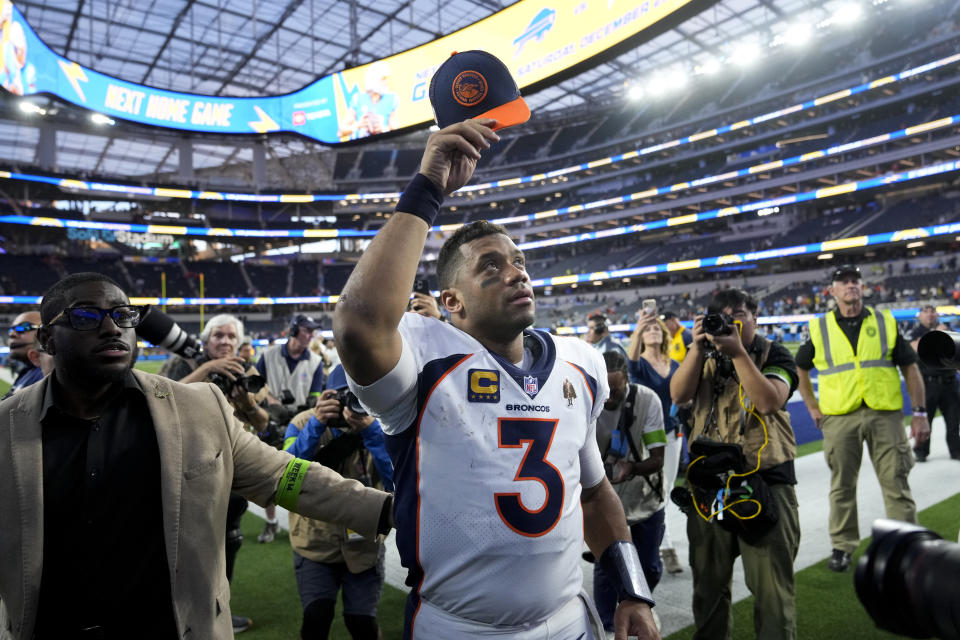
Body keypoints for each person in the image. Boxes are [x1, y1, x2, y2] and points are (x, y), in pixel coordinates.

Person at [334, 117, 658, 640]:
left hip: (568, 620)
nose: (516, 272)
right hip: (461, 628)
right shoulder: (425, 358)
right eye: (490, 267)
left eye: (519, 262)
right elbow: (358, 323)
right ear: (451, 303)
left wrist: (631, 589)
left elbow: (595, 495)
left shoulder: (579, 363)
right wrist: (429, 187)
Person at [0, 272, 393, 640]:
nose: (111, 327)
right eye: (86, 316)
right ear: (47, 340)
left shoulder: (200, 408)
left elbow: (284, 478)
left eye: (123, 315)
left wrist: (392, 511)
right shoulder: (6, 427)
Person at [671, 288, 801, 640]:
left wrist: (739, 353)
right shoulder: (702, 355)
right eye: (723, 316)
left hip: (766, 483)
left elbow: (769, 401)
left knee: (773, 592)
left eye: (739, 314)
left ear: (755, 316)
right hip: (709, 487)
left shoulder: (776, 353)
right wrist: (697, 347)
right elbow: (679, 395)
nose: (731, 322)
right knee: (708, 590)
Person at [796, 265, 930, 572]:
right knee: (842, 485)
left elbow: (911, 369)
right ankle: (842, 546)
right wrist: (813, 408)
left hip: (885, 414)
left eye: (855, 280)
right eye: (843, 282)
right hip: (839, 416)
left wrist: (920, 413)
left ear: (862, 286)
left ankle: (906, 546)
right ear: (833, 291)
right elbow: (800, 369)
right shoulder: (818, 327)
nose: (850, 285)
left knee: (896, 480)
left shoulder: (885, 322)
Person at [161, 313, 270, 634]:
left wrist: (247, 404)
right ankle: (177, 613)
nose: (225, 342)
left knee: (229, 543)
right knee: (185, 549)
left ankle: (220, 610)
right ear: (205, 340)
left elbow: (264, 423)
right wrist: (207, 370)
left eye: (230, 337)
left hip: (231, 471)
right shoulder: (182, 365)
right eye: (218, 336)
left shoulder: (247, 371)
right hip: (186, 471)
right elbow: (159, 401)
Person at [283, 365, 394, 640]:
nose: (350, 405)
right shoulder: (301, 423)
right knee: (316, 618)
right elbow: (285, 476)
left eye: (358, 396)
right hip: (314, 541)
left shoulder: (383, 425)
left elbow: (396, 481)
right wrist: (316, 425)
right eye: (343, 396)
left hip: (364, 543)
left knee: (361, 623)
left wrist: (372, 433)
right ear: (327, 395)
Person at [593, 350, 667, 634]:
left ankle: (641, 608)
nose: (610, 397)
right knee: (606, 570)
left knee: (649, 567)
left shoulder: (647, 400)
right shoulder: (587, 401)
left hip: (644, 501)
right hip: (606, 503)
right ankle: (607, 627)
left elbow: (658, 458)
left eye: (617, 389)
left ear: (628, 380)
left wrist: (631, 468)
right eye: (606, 389)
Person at [255, 313, 326, 542]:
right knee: (267, 474)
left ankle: (301, 524)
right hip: (268, 419)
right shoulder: (267, 355)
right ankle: (272, 522)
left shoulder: (315, 361)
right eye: (306, 330)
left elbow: (315, 396)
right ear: (294, 330)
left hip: (300, 422)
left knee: (300, 474)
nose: (310, 335)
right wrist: (270, 401)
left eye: (312, 331)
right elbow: (255, 386)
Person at [626, 314, 683, 575]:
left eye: (656, 328)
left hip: (672, 432)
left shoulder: (675, 364)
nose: (652, 332)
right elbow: (631, 360)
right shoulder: (638, 365)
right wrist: (638, 329)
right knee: (653, 488)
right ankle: (665, 547)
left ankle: (654, 542)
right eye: (647, 329)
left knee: (666, 487)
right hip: (646, 435)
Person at [905, 304, 959, 461]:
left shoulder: (947, 328)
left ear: (937, 314)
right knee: (925, 418)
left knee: (954, 418)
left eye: (932, 311)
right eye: (925, 311)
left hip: (949, 382)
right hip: (928, 383)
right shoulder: (914, 332)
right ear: (919, 316)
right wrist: (937, 335)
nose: (930, 314)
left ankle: (956, 450)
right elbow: (914, 348)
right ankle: (921, 450)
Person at [5, 311, 43, 396]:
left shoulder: (47, 374)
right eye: (11, 329)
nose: (12, 334)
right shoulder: (27, 371)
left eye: (23, 327)